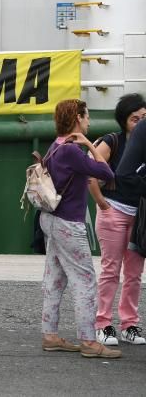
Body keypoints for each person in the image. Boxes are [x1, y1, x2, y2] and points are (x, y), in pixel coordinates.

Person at [40, 99, 120, 359]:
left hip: (50, 220)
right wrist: (88, 144)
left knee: (55, 279)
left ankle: (50, 335)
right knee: (85, 281)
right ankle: (89, 341)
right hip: (68, 224)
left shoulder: (55, 146)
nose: (88, 121)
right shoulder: (73, 150)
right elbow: (107, 173)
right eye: (86, 117)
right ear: (77, 118)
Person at [88, 93, 146, 346]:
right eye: (135, 119)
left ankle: (129, 324)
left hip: (139, 214)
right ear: (124, 121)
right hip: (115, 210)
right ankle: (103, 323)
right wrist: (103, 204)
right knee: (111, 269)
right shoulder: (113, 141)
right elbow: (89, 173)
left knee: (134, 273)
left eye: (144, 118)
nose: (140, 123)